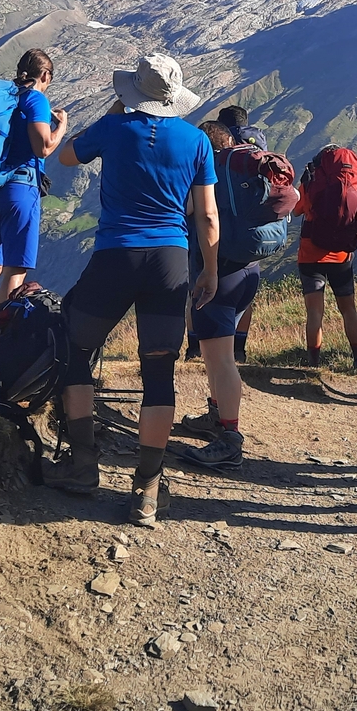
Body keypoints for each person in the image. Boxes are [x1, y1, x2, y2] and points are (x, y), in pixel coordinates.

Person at [42, 53, 218, 528]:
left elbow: (66, 154)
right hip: (171, 260)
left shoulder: (113, 129)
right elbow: (206, 216)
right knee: (158, 372)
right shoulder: (197, 140)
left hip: (116, 255)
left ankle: (82, 466)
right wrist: (210, 270)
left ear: (132, 93)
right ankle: (146, 489)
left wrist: (117, 110)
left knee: (77, 351)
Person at [0, 49, 67, 353]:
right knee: (14, 270)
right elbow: (43, 148)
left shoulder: (4, 98)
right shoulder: (36, 100)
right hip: (19, 190)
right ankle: (0, 342)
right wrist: (61, 125)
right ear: (45, 76)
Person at [177, 121, 260, 470]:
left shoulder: (210, 177)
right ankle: (216, 418)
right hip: (248, 272)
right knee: (218, 356)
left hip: (218, 276)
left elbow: (192, 214)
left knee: (220, 358)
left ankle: (229, 438)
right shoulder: (240, 173)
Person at [295, 145, 357, 369]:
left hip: (310, 255)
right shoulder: (353, 182)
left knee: (315, 312)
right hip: (341, 256)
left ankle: (314, 362)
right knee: (348, 309)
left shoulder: (312, 183)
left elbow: (297, 209)